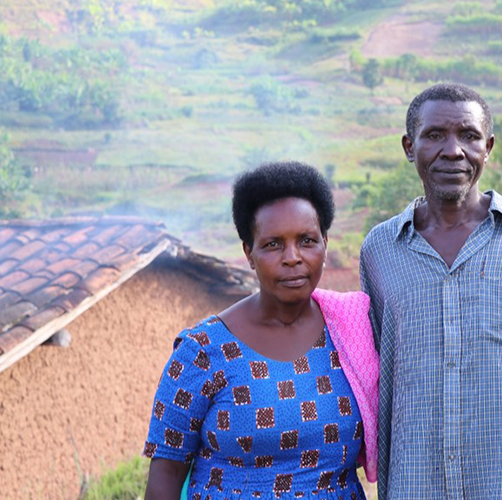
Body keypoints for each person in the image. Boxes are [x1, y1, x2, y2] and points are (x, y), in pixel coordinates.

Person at [359, 83, 502, 499]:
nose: (452, 150)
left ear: (488, 147)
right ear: (409, 147)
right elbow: (378, 390)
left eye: (468, 135)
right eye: (434, 135)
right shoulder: (380, 251)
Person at [143, 161, 378, 500]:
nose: (292, 257)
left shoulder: (350, 333)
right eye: (273, 245)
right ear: (248, 253)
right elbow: (165, 477)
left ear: (325, 244)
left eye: (307, 240)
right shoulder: (203, 351)